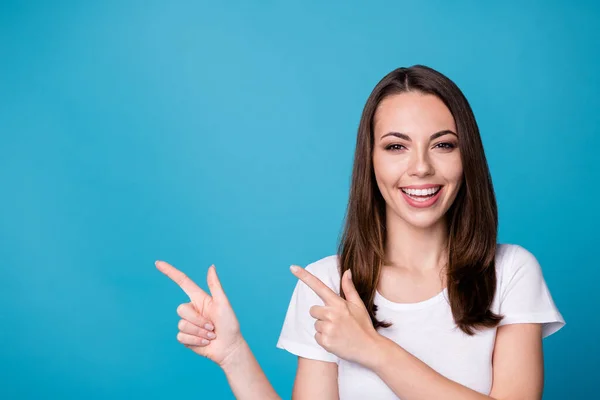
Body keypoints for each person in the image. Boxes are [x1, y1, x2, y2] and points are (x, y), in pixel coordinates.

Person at [156, 65, 565, 400]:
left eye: (443, 145)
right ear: (369, 161)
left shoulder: (510, 271)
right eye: (395, 147)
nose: (420, 167)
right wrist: (233, 354)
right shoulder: (328, 286)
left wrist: (373, 351)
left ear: (466, 157)